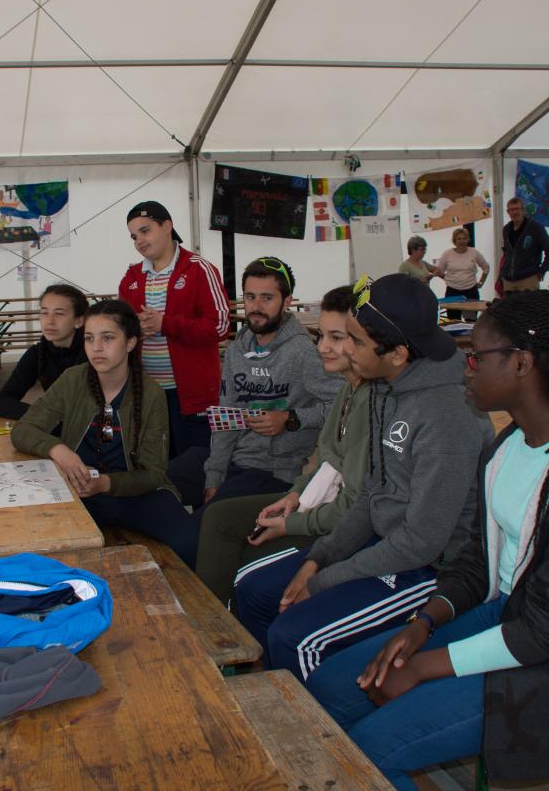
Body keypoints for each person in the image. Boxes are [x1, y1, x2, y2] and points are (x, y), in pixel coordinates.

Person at [306, 290, 549, 791]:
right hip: (513, 615)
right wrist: (424, 623)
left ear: (521, 364)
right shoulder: (509, 445)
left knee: (373, 749)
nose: (465, 369)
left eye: (477, 357)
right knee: (331, 687)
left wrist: (425, 668)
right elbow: (477, 560)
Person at [232, 273, 492, 683]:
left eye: (354, 341)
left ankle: (316, 718)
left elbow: (422, 542)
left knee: (297, 638)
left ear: (397, 354)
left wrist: (323, 580)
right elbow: (373, 492)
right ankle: (274, 691)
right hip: (388, 541)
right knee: (252, 588)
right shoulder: (387, 389)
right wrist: (321, 557)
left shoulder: (448, 415)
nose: (345, 351)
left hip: (431, 568)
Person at [195, 285, 369, 605]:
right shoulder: (347, 391)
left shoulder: (369, 401)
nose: (323, 347)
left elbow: (356, 506)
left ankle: (216, 619)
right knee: (216, 519)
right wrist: (295, 495)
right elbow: (326, 465)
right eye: (322, 336)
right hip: (307, 495)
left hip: (333, 517)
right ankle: (213, 618)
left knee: (238, 560)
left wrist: (292, 522)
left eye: (338, 337)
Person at [11, 299, 198, 567]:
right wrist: (59, 451)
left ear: (130, 343)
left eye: (107, 338)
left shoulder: (151, 394)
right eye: (89, 338)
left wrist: (104, 483)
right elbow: (23, 430)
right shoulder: (73, 379)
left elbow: (154, 474)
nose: (96, 347)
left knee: (190, 541)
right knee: (38, 546)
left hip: (136, 494)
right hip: (79, 494)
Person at [169, 257, 342, 517]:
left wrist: (291, 418)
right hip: (233, 460)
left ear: (287, 301)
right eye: (250, 297)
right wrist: (214, 476)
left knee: (205, 524)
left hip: (273, 472)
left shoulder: (304, 353)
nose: (256, 307)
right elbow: (226, 418)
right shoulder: (237, 350)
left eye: (267, 298)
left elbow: (345, 406)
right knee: (152, 485)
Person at [118, 201, 230, 457]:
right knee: (157, 464)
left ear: (167, 226)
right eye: (134, 236)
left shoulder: (199, 269)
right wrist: (134, 331)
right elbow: (121, 329)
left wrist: (165, 324)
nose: (139, 241)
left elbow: (220, 325)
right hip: (147, 395)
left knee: (194, 465)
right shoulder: (131, 277)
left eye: (145, 231)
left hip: (192, 397)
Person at [0, 284, 88, 420]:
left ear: (79, 321)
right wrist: (44, 415)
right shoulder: (38, 353)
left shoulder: (93, 352)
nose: (49, 321)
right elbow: (1, 402)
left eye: (59, 313)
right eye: (44, 313)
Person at [499, 197, 549, 295]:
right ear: (508, 212)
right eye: (512, 210)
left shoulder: (536, 228)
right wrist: (503, 273)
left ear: (523, 210)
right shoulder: (506, 229)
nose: (515, 212)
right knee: (509, 305)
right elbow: (507, 253)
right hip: (508, 281)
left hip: (528, 280)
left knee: (529, 305)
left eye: (517, 209)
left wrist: (542, 271)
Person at [435, 227, 489, 320]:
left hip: (471, 292)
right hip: (452, 292)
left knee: (470, 321)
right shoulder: (447, 254)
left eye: (464, 238)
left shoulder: (474, 252)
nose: (462, 241)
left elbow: (486, 267)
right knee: (453, 321)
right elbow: (439, 271)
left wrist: (481, 282)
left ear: (468, 239)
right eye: (459, 239)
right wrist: (448, 279)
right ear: (454, 241)